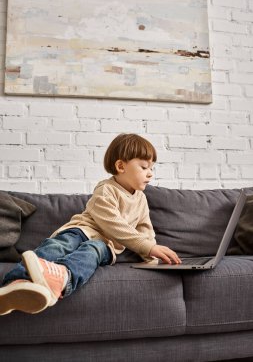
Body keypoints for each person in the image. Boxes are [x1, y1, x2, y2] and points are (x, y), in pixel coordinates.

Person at [0, 133, 181, 315]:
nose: (150, 173)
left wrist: (153, 257)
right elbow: (113, 224)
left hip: (105, 245)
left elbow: (145, 231)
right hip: (81, 231)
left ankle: (62, 279)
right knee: (59, 246)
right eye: (144, 167)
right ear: (120, 166)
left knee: (91, 252)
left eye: (152, 168)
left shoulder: (141, 199)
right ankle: (15, 283)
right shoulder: (105, 190)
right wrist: (148, 247)